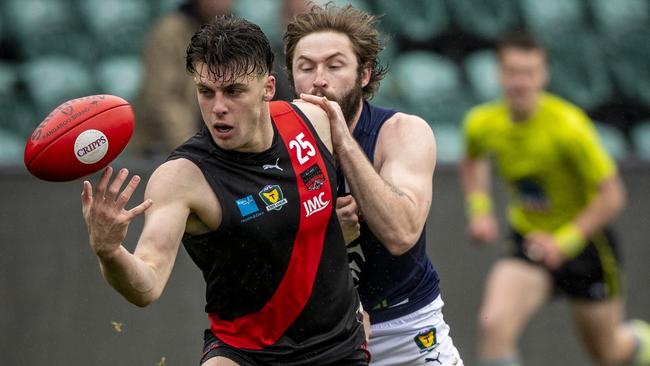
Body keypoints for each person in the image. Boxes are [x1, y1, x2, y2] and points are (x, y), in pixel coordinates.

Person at [81, 15, 368, 366]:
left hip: (339, 350)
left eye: (233, 91)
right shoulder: (182, 177)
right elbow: (147, 284)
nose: (218, 107)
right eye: (206, 91)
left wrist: (337, 229)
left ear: (268, 88)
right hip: (246, 355)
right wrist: (109, 251)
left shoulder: (313, 120)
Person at [285, 4, 463, 365]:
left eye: (335, 66)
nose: (319, 79)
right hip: (317, 332)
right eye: (306, 68)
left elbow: (401, 232)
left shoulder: (401, 132)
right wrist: (329, 231)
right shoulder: (275, 144)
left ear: (364, 74)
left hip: (405, 328)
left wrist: (341, 142)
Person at [459, 30, 650, 366]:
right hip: (530, 240)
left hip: (585, 245)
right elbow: (472, 160)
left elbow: (613, 195)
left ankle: (639, 340)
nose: (520, 82)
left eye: (529, 73)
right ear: (499, 74)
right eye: (512, 72)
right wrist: (480, 211)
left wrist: (563, 242)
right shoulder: (482, 123)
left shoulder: (568, 127)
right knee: (493, 326)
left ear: (544, 75)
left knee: (610, 353)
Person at [131, 0, 232, 158]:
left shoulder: (232, 34)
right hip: (157, 149)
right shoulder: (169, 33)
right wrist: (193, 149)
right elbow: (161, 98)